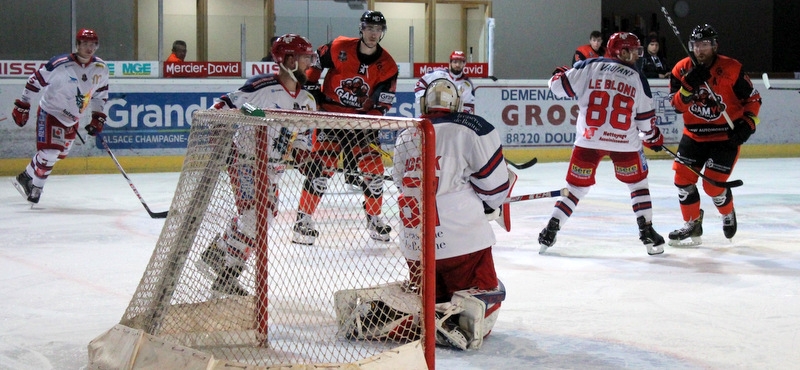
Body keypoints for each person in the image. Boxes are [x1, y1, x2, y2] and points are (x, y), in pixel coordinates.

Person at [343, 78, 508, 350]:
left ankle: (388, 315)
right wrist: (487, 202)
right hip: (462, 244)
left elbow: (400, 182)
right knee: (488, 298)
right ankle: (445, 323)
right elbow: (496, 188)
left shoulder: (408, 132)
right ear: (457, 103)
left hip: (415, 246)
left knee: (431, 296)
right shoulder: (474, 127)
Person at [201, 33, 318, 295]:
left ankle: (218, 252)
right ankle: (227, 278)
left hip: (274, 169)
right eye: (304, 58)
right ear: (288, 59)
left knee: (261, 218)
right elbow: (219, 110)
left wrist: (305, 161)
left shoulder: (307, 101)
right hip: (246, 162)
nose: (308, 64)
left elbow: (301, 143)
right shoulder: (261, 88)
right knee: (257, 219)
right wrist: (225, 147)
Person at [540, 32, 666, 256]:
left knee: (576, 188)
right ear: (622, 51)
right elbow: (646, 124)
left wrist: (557, 75)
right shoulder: (638, 77)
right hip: (625, 144)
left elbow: (558, 87)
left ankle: (551, 229)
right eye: (634, 50)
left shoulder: (589, 65)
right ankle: (647, 232)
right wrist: (653, 137)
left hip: (589, 140)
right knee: (638, 185)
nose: (638, 54)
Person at [291, 10, 399, 245]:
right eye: (369, 28)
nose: (373, 33)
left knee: (375, 172)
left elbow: (384, 101)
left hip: (360, 123)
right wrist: (311, 87)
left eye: (378, 29)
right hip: (331, 118)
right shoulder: (340, 46)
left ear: (383, 32)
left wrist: (369, 120)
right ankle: (303, 220)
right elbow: (315, 62)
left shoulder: (388, 65)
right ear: (361, 29)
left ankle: (373, 218)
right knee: (321, 169)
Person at [666, 24, 761, 246]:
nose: (700, 49)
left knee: (713, 186)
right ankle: (692, 224)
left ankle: (727, 210)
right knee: (682, 180)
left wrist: (748, 124)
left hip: (724, 137)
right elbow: (676, 106)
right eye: (696, 45)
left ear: (714, 45)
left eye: (705, 44)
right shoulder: (681, 70)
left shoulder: (732, 68)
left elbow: (754, 100)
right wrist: (688, 87)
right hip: (694, 136)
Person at [11, 29, 109, 205]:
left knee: (58, 154)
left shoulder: (100, 68)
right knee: (50, 152)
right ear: (77, 45)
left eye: (93, 44)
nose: (89, 48)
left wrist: (97, 116)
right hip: (51, 112)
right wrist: (23, 105)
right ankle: (36, 189)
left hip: (72, 118)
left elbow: (100, 94)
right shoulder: (59, 64)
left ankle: (26, 176)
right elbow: (34, 81)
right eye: (85, 44)